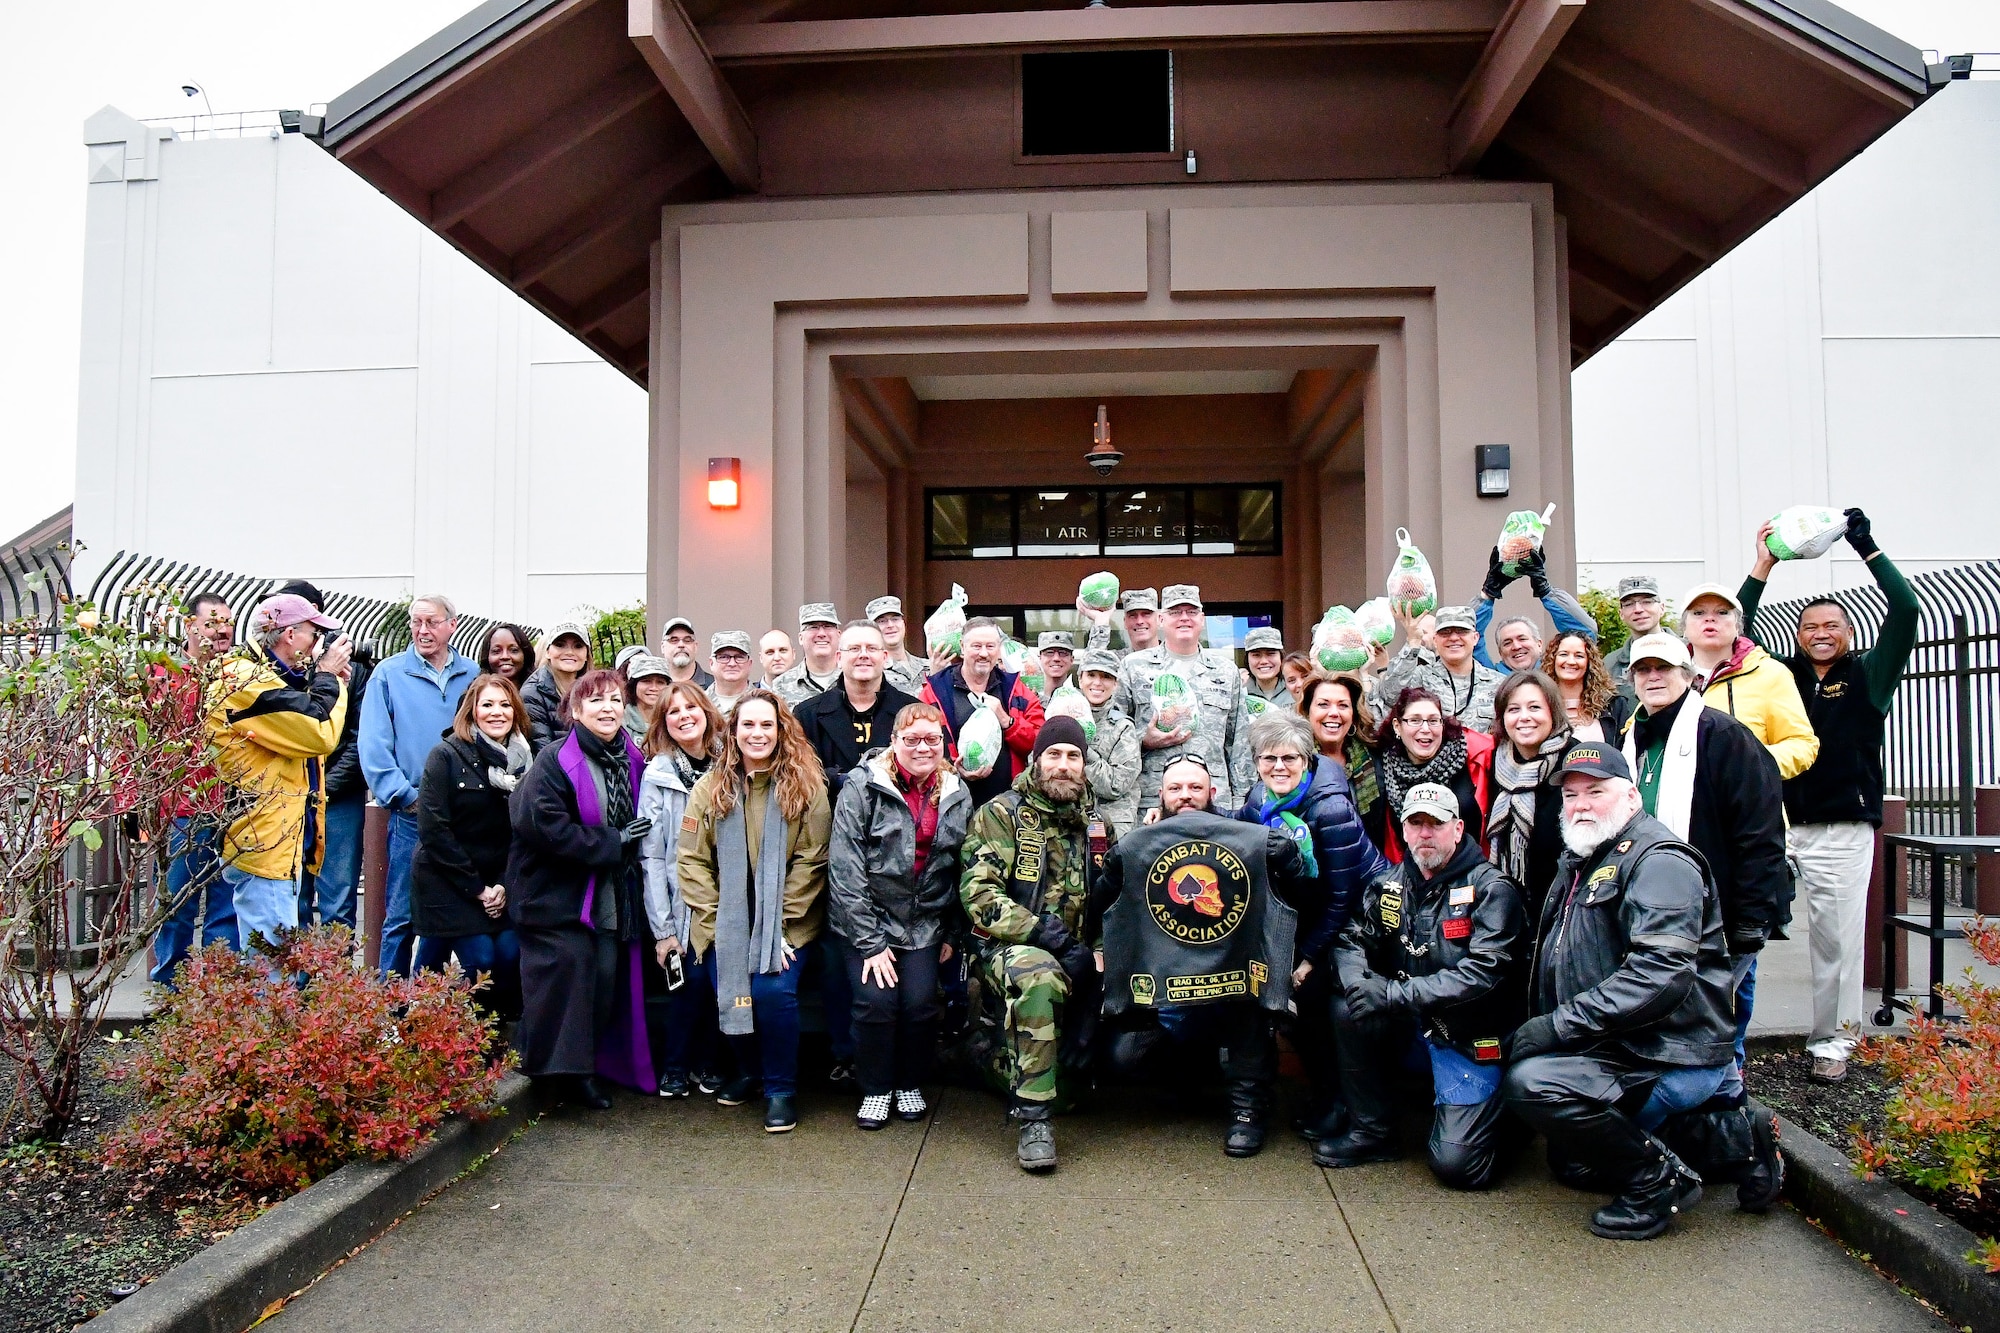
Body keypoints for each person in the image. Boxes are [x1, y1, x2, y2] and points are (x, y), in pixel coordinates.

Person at [1504, 746, 1780, 1241]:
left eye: (1596, 791)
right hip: (1619, 1039)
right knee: (1573, 1166)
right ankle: (1735, 1142)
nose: (1581, 804)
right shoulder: (1589, 855)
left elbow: (1660, 974)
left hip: (1664, 1049)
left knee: (1534, 1084)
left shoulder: (1660, 861)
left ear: (1631, 794)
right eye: (1570, 795)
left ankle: (1659, 1182)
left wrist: (1559, 1026)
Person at [1738, 508, 1918, 1081]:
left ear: (1848, 633)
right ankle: (1722, 1043)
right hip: (1778, 822)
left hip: (1842, 826)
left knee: (1837, 941)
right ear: (1797, 635)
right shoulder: (1780, 674)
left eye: (1831, 627)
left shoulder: (1870, 674)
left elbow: (1907, 612)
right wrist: (1764, 564)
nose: (1820, 634)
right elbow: (1734, 631)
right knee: (1734, 928)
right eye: (1810, 627)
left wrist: (1868, 548)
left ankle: (1832, 1044)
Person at [1098, 754, 1308, 1157]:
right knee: (1121, 1057)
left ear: (1213, 793)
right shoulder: (1140, 844)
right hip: (1166, 988)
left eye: (1195, 787)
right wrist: (1117, 866)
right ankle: (1189, 1078)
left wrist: (1284, 856)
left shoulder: (1246, 837)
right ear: (1160, 795)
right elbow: (1101, 904)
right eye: (1176, 788)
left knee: (1249, 1012)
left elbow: (1301, 892)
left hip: (1232, 987)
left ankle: (1248, 1110)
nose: (1186, 796)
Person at [1320, 782, 1523, 1188]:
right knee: (1347, 1006)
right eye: (1416, 823)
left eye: (1436, 823)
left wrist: (1392, 994)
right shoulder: (1390, 882)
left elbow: (1483, 972)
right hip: (1409, 1023)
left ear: (1458, 828)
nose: (1425, 833)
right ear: (1405, 829)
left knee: (1458, 1168)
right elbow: (1350, 939)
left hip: (1466, 1034)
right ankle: (1373, 1132)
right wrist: (1360, 984)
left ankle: (1511, 1119)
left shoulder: (1492, 889)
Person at [1618, 632, 1788, 1095]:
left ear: (1689, 676)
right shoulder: (1636, 736)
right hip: (1660, 901)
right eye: (1644, 670)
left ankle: (1727, 1106)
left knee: (1721, 1010)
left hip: (1723, 903)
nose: (1654, 678)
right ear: (1632, 680)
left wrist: (1752, 915)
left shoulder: (1724, 735)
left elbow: (1760, 831)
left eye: (1664, 669)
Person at [957, 716, 1109, 1172]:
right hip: (1010, 947)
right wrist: (1046, 935)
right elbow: (979, 897)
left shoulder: (1096, 826)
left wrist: (1100, 952)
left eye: (1073, 756)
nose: (1064, 765)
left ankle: (990, 1056)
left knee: (1076, 1091)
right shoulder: (1001, 814)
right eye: (1055, 755)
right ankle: (1034, 1121)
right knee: (1037, 975)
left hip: (1080, 954)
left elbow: (1111, 901)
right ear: (1037, 760)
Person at [678, 692, 832, 1132]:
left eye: (767, 725)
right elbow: (691, 860)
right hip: (724, 920)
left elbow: (812, 860)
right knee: (724, 983)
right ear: (733, 732)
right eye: (748, 725)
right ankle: (751, 1070)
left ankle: (781, 1088)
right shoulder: (710, 788)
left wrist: (777, 927)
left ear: (782, 731)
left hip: (787, 923)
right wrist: (713, 924)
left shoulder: (807, 787)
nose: (758, 733)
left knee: (770, 992)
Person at [1234, 709, 1388, 1142]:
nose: (1278, 767)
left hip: (1356, 916)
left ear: (1307, 759)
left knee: (1321, 1005)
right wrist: (1186, 809)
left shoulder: (1330, 806)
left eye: (1289, 758)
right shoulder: (1262, 799)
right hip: (1312, 913)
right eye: (1268, 759)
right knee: (1295, 1014)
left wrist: (1306, 958)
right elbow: (1238, 826)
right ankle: (1325, 1094)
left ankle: (1342, 1101)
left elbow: (1343, 896)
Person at [507, 669, 655, 1109]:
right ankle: (562, 1075)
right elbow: (543, 826)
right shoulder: (554, 760)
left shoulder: (631, 757)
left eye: (614, 700)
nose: (608, 708)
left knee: (605, 981)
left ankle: (584, 1066)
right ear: (575, 711)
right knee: (568, 975)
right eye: (595, 701)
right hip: (555, 894)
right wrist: (613, 841)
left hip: (609, 894)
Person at [828, 703, 972, 1129]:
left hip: (926, 922)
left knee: (920, 1004)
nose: (922, 747)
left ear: (943, 744)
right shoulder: (861, 787)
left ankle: (909, 1081)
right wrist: (871, 944)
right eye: (911, 739)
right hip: (866, 920)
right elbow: (845, 868)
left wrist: (952, 932)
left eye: (931, 739)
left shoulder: (956, 792)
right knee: (876, 1002)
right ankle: (875, 1088)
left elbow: (962, 866)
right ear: (893, 742)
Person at [206, 593, 351, 951]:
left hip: (279, 835)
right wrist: (329, 676)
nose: (319, 645)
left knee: (276, 957)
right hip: (263, 837)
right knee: (270, 965)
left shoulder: (272, 677)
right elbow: (318, 731)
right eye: (314, 635)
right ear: (290, 635)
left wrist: (322, 678)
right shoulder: (240, 680)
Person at [359, 594, 478, 979]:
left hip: (462, 815)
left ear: (451, 625)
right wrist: (406, 798)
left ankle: (430, 1008)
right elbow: (374, 746)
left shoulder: (472, 674)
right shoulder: (388, 674)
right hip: (411, 815)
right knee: (401, 912)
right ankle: (389, 1009)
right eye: (416, 623)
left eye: (431, 622)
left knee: (448, 912)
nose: (422, 631)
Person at [410, 673, 528, 1022]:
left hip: (498, 880)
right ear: (471, 711)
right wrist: (478, 890)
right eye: (487, 704)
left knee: (509, 952)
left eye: (505, 705)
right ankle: (442, 1025)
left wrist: (503, 886)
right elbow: (434, 831)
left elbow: (522, 834)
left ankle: (491, 1028)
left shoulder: (525, 760)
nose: (497, 712)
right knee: (480, 959)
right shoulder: (445, 755)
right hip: (447, 881)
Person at [638, 681, 726, 1098]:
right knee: (686, 985)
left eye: (692, 707)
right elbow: (653, 857)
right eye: (673, 711)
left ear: (707, 712)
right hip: (681, 905)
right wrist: (664, 930)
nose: (684, 716)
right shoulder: (656, 776)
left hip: (728, 898)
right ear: (663, 723)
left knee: (716, 985)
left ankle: (709, 1063)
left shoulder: (733, 764)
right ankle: (676, 1065)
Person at [270, 580, 370, 936]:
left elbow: (360, 737)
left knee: (338, 897)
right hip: (287, 797)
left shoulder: (352, 668)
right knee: (291, 895)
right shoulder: (271, 672)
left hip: (339, 796)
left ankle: (335, 986)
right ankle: (296, 986)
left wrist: (326, 788)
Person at [151, 592, 239, 984]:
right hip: (183, 807)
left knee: (227, 901)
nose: (224, 631)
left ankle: (218, 991)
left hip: (234, 803)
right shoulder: (164, 676)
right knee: (178, 900)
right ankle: (171, 986)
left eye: (228, 623)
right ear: (190, 626)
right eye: (214, 623)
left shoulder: (239, 677)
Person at [1114, 585, 1254, 815]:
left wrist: (1241, 801)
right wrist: (1143, 740)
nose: (1184, 618)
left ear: (1202, 619)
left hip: (1213, 798)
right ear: (1161, 619)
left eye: (1191, 611)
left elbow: (1238, 742)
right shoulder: (1134, 666)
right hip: (1154, 797)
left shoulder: (1225, 671)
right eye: (1175, 612)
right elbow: (1115, 732)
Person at [1681, 582, 1819, 781]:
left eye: (1722, 612)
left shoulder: (1770, 673)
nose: (1710, 619)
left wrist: (1749, 765)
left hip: (1749, 805)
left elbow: (1802, 744)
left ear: (1738, 625)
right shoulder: (1666, 673)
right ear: (1684, 627)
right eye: (1698, 613)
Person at [920, 616, 1045, 807]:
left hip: (1008, 806)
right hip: (950, 803)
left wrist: (1007, 721)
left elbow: (1040, 741)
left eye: (990, 646)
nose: (984, 654)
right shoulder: (935, 691)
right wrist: (954, 769)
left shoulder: (1016, 689)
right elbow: (919, 745)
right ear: (962, 647)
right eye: (976, 646)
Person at [1485, 672, 1576, 918]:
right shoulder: (1493, 763)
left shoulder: (1575, 762)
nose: (1524, 717)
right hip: (1507, 908)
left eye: (1534, 707)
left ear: (1552, 712)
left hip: (1564, 908)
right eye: (1513, 709)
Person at [795, 621, 921, 798]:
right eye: (854, 649)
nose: (863, 655)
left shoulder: (914, 712)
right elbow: (798, 774)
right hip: (831, 819)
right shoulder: (807, 716)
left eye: (871, 648)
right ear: (839, 658)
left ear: (885, 658)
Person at [1371, 687, 1493, 862]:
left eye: (1433, 721)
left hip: (1473, 869)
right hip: (1415, 876)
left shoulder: (1475, 753)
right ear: (1398, 726)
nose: (1426, 729)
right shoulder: (1383, 766)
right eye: (1415, 720)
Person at [1377, 604, 1502, 732]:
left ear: (1475, 638)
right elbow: (1390, 697)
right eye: (1445, 632)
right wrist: (1413, 642)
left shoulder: (1498, 683)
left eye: (1461, 631)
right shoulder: (1422, 676)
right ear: (1435, 640)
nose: (1453, 638)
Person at [1474, 545, 1596, 674]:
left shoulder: (1559, 673)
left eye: (1522, 639)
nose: (1516, 646)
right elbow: (1467, 638)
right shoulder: (1489, 678)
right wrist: (1487, 594)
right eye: (1507, 643)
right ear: (1500, 652)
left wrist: (1546, 592)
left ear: (1539, 644)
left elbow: (1585, 633)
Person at [1074, 650, 1141, 836]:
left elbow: (1115, 785)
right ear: (1080, 678)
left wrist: (1082, 748)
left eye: (1106, 677)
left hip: (1112, 825)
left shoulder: (1123, 728)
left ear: (1115, 683)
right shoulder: (1060, 716)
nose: (1097, 683)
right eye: (1091, 675)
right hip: (1067, 821)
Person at [1542, 630, 1631, 743]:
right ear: (1553, 660)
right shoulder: (1539, 704)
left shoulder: (1613, 705)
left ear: (1589, 662)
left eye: (1579, 656)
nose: (1571, 661)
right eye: (1563, 654)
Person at [520, 619, 590, 753]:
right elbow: (543, 751)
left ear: (587, 654)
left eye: (578, 646)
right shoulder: (532, 693)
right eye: (560, 645)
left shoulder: (594, 689)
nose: (569, 652)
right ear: (547, 652)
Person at [1601, 575, 1666, 698]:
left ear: (1662, 608)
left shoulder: (1688, 652)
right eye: (1629, 604)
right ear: (1621, 614)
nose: (1638, 609)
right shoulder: (1610, 664)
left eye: (1647, 602)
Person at [771, 604, 842, 705]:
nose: (821, 633)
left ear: (839, 635)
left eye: (828, 626)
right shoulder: (781, 686)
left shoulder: (853, 679)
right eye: (813, 627)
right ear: (800, 638)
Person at [867, 596, 928, 695]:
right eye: (882, 621)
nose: (890, 625)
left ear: (903, 623)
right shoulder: (871, 671)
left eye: (895, 619)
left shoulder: (927, 667)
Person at [1079, 587, 1158, 659]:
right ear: (1125, 622)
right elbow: (1089, 668)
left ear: (1160, 619)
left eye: (1146, 614)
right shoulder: (1116, 661)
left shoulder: (1169, 657)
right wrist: (1101, 622)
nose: (1139, 621)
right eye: (1132, 615)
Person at [622, 654, 673, 746]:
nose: (654, 688)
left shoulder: (674, 720)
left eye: (660, 682)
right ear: (634, 685)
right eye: (646, 681)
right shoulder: (621, 722)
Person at [1242, 627, 1293, 714]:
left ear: (1281, 657)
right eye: (1256, 655)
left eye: (1270, 654)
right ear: (1247, 660)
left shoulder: (1295, 689)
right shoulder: (1241, 694)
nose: (1264, 661)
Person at [706, 630, 757, 715]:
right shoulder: (697, 703)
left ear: (750, 663)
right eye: (723, 657)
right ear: (711, 663)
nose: (732, 664)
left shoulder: (765, 702)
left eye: (739, 657)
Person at [478, 622, 537, 692]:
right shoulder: (475, 696)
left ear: (525, 654)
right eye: (496, 651)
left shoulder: (540, 695)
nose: (505, 656)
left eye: (513, 650)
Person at [659, 615, 715, 688]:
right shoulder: (655, 689)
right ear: (663, 647)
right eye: (674, 640)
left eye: (687, 640)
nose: (681, 645)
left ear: (695, 646)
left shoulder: (713, 686)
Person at [1036, 631, 1076, 702]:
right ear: (1040, 658)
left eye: (1063, 653)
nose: (1056, 658)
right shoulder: (1030, 700)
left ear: (1071, 660)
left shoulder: (1080, 699)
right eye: (1049, 652)